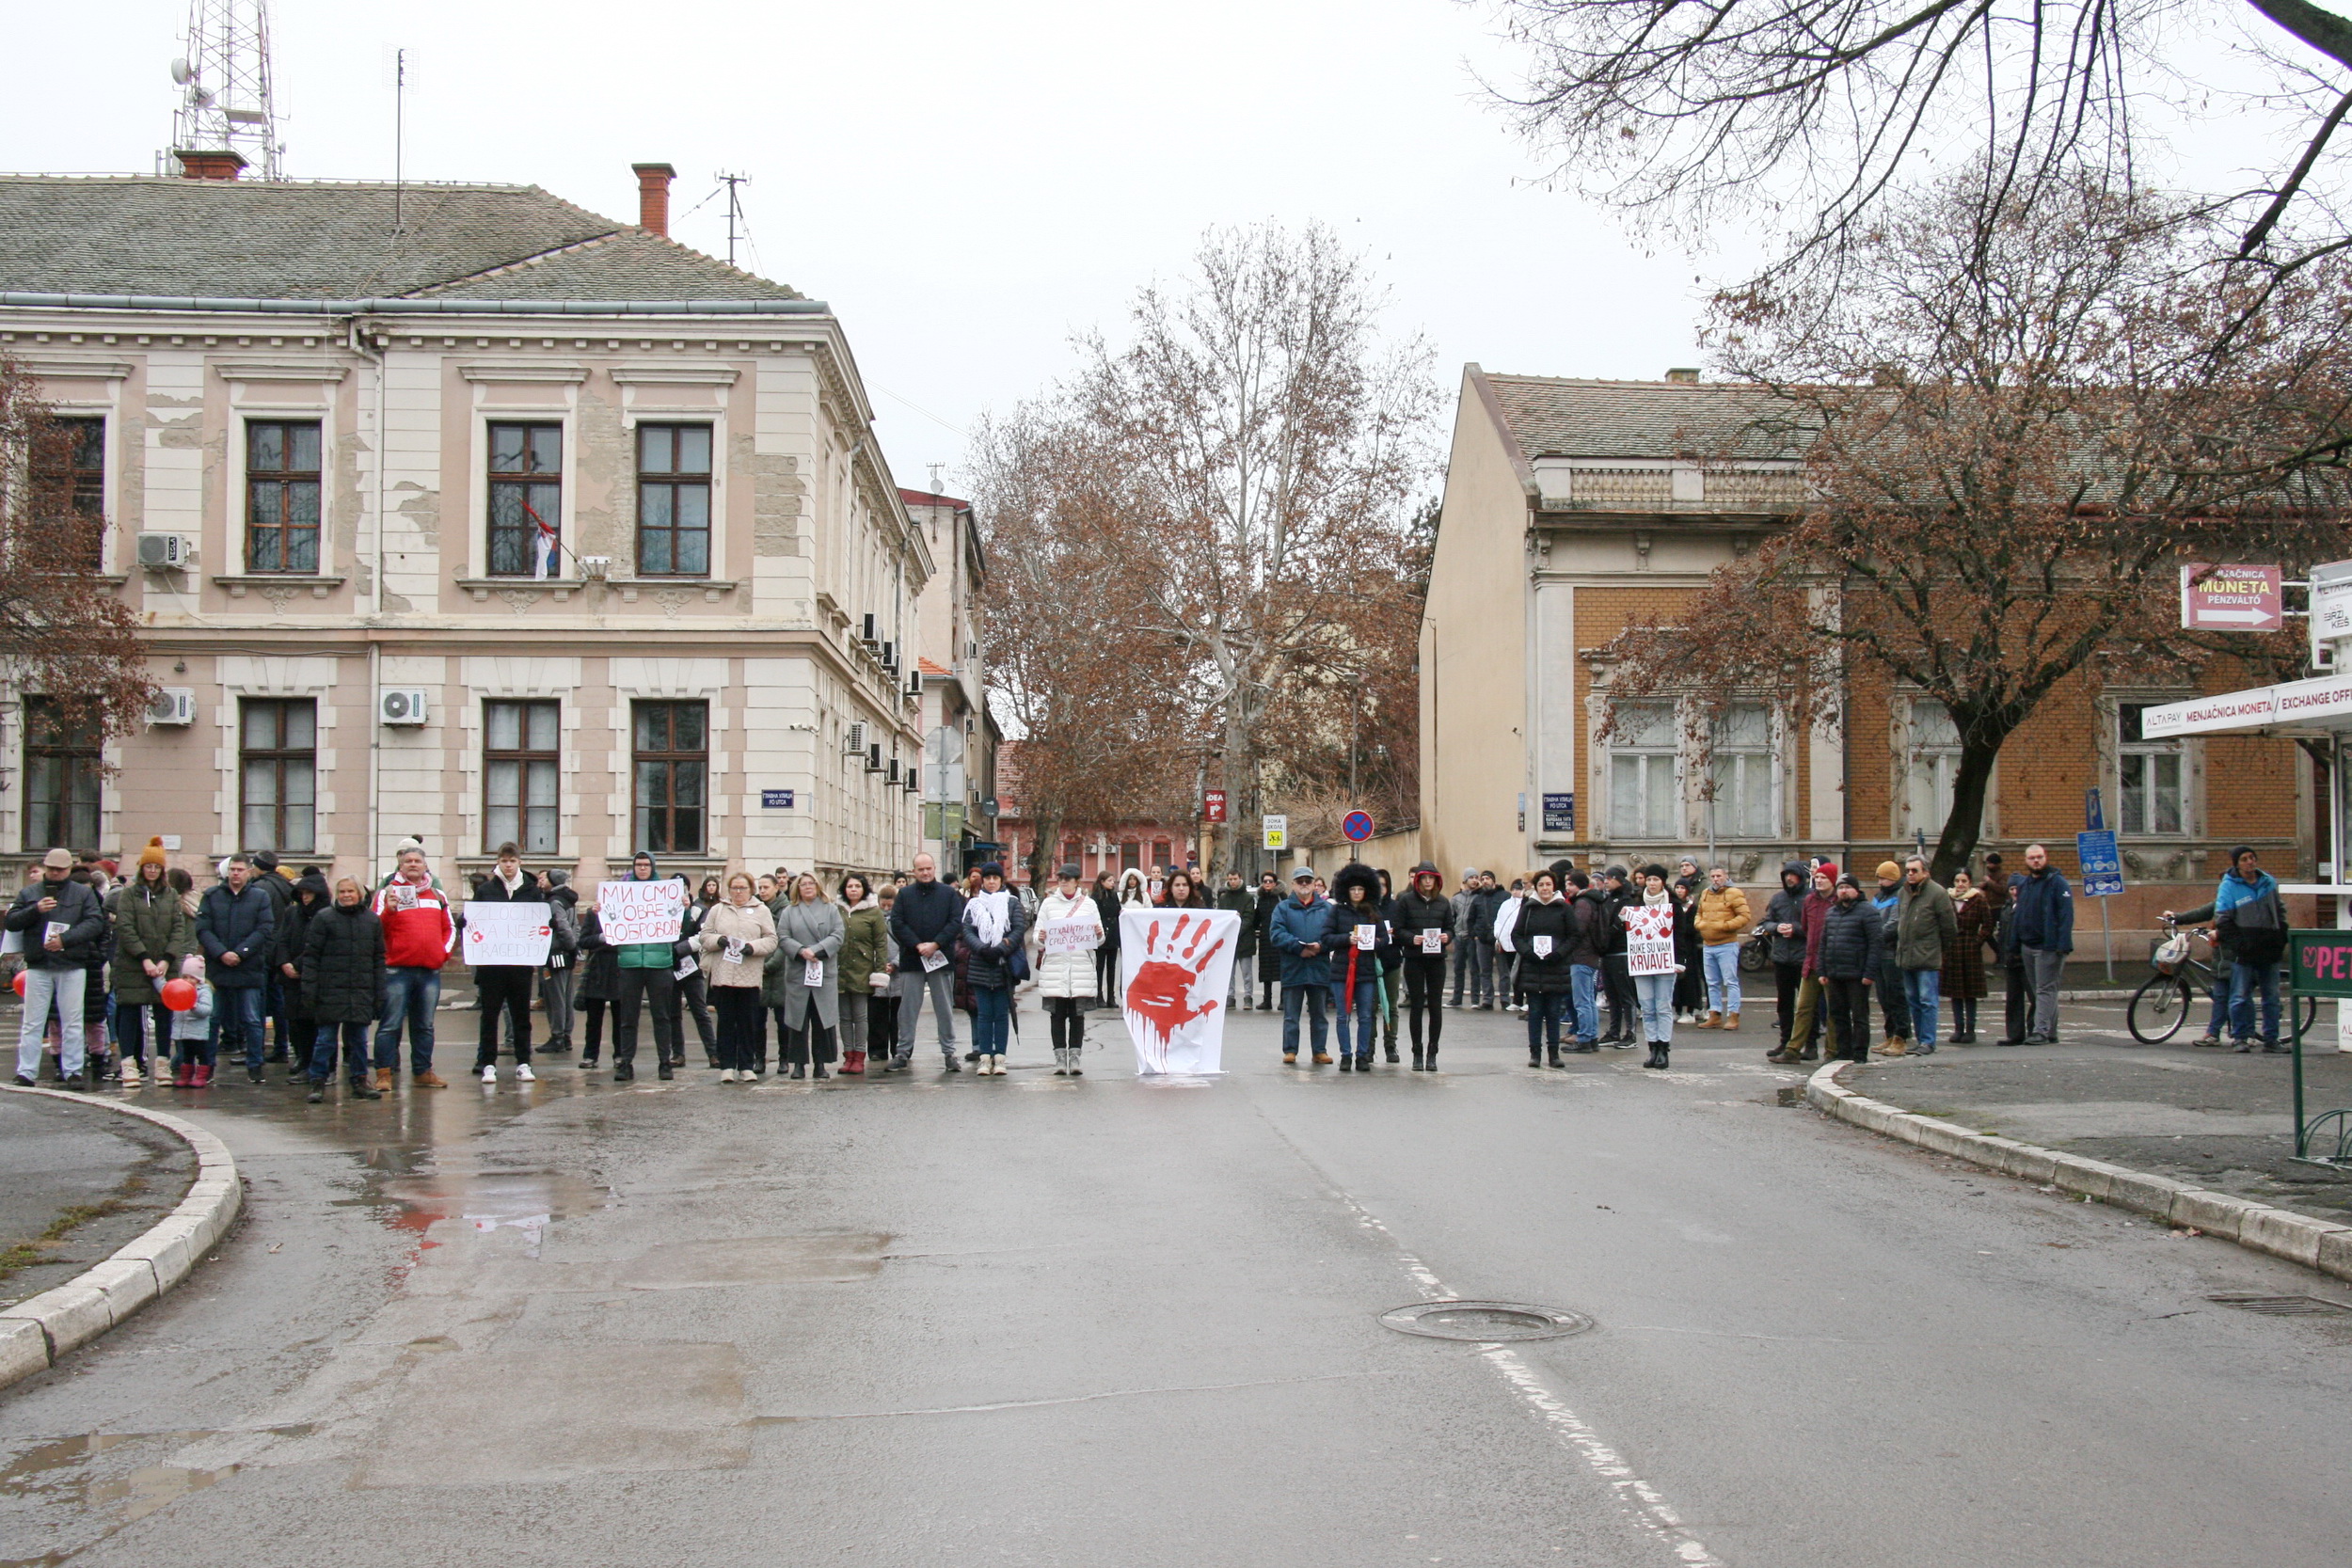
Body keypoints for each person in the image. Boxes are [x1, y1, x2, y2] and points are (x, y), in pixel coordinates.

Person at [2167, 847, 2289, 1053]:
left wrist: (2281, 935)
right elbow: (2221, 917)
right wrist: (2239, 943)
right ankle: (2240, 1037)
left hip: (2269, 947)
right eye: (2244, 859)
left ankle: (2271, 1040)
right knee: (2239, 996)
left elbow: (2280, 911)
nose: (2250, 862)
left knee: (2271, 997)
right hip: (2245, 950)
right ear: (2237, 864)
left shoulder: (2268, 882)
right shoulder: (2230, 887)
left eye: (2252, 858)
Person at [8, 847, 107, 1089]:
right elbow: (11, 921)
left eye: (60, 870)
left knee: (73, 1020)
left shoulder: (83, 894)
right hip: (39, 963)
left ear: (68, 870)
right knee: (33, 1020)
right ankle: (26, 1072)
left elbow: (95, 923)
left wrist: (67, 940)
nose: (54, 873)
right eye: (51, 869)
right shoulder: (30, 892)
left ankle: (73, 1071)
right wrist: (35, 909)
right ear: (46, 868)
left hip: (72, 963)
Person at [107, 838, 192, 1090]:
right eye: (148, 866)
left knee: (165, 1014)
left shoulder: (171, 895)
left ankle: (163, 1062)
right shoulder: (128, 895)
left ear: (162, 870)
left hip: (164, 964)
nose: (152, 870)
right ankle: (129, 1064)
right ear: (141, 868)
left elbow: (179, 929)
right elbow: (125, 928)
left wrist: (167, 959)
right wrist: (143, 957)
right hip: (133, 965)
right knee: (130, 1012)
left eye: (157, 866)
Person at [371, 845, 455, 1089]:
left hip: (429, 971)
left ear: (425, 865)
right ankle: (384, 1073)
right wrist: (389, 911)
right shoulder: (387, 893)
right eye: (408, 861)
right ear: (400, 865)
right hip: (397, 971)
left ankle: (423, 1071)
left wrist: (442, 954)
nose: (413, 864)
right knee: (390, 1024)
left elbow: (449, 929)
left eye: (417, 861)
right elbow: (374, 930)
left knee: (424, 1025)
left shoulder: (438, 895)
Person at [299, 877, 386, 1102]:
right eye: (342, 891)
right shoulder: (324, 918)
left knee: (358, 1040)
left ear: (359, 893)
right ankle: (317, 1081)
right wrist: (309, 989)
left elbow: (378, 959)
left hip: (360, 990)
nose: (346, 895)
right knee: (326, 1040)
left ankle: (359, 1081)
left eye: (350, 891)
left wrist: (379, 993)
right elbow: (311, 957)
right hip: (329, 990)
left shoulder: (372, 921)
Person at [193, 853, 275, 1085]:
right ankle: (207, 1066)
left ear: (249, 872)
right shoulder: (211, 896)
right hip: (218, 968)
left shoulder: (260, 897)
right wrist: (221, 953)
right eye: (233, 869)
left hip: (248, 967)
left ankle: (255, 1065)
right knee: (212, 1019)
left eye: (240, 869)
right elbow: (203, 929)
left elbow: (265, 928)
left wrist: (241, 953)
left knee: (251, 1019)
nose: (236, 874)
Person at [608, 851, 685, 1083]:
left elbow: (681, 924)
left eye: (646, 865)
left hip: (659, 963)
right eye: (638, 865)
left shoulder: (664, 892)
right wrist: (602, 911)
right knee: (628, 1018)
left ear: (652, 867)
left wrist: (685, 908)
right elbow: (611, 921)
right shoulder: (622, 893)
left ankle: (664, 1062)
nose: (642, 868)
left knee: (662, 1016)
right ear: (633, 867)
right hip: (630, 963)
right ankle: (626, 1062)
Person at [466, 844, 539, 1082]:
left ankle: (524, 1062)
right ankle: (488, 1062)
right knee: (490, 1014)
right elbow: (473, 918)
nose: (508, 865)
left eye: (512, 861)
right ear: (498, 862)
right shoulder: (487, 890)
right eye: (504, 861)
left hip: (520, 963)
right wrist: (464, 922)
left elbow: (541, 920)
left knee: (521, 1015)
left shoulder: (531, 890)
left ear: (520, 862)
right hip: (492, 963)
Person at [695, 873, 778, 1081]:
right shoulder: (718, 909)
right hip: (724, 974)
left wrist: (752, 947)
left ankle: (746, 1065)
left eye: (742, 888)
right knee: (725, 1021)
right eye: (734, 888)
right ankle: (727, 1065)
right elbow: (704, 936)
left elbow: (771, 939)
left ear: (751, 889)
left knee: (748, 1022)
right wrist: (719, 940)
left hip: (749, 975)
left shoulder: (761, 911)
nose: (738, 892)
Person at [891, 852, 967, 1071]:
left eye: (928, 868)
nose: (925, 873)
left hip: (940, 958)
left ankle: (949, 1053)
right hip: (912, 959)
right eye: (920, 869)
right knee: (907, 1009)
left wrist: (935, 944)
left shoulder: (948, 894)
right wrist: (917, 945)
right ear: (914, 871)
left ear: (935, 869)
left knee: (944, 1008)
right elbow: (898, 923)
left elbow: (956, 922)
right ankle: (903, 1052)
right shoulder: (904, 895)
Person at [1032, 864, 1104, 1076]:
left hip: (1080, 966)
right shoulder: (1048, 904)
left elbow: (1098, 940)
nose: (1063, 882)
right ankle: (1059, 1058)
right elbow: (1036, 936)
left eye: (1068, 878)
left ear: (1076, 881)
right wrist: (1041, 938)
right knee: (1057, 1014)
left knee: (1077, 1015)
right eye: (1060, 878)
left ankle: (1075, 1057)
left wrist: (1098, 934)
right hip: (1056, 966)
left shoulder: (1089, 905)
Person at [1884, 855, 1958, 1054]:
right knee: (1913, 1001)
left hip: (1927, 957)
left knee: (1928, 1001)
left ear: (1925, 872)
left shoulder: (1937, 893)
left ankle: (1928, 1041)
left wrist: (1938, 949)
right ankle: (1919, 1040)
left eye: (1914, 870)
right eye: (1907, 870)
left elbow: (1949, 928)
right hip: (1906, 956)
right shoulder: (1903, 892)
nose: (1910, 874)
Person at [775, 872, 845, 1078]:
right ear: (797, 888)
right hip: (799, 970)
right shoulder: (790, 911)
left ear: (818, 886)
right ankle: (798, 1064)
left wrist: (817, 950)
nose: (807, 887)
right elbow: (783, 936)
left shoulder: (831, 910)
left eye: (811, 884)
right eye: (803, 884)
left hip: (822, 968)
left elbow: (838, 935)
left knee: (822, 1018)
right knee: (798, 1020)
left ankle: (820, 1064)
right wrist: (801, 951)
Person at [1771, 863, 1841, 1065]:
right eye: (1817, 877)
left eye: (1823, 878)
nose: (1818, 880)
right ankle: (1792, 1050)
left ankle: (1831, 1052)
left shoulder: (1838, 902)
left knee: (1832, 1011)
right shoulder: (1810, 901)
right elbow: (1808, 930)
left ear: (1833, 881)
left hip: (1830, 962)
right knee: (1803, 1008)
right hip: (1809, 961)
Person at [2007, 843, 2074, 1045]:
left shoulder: (2058, 883)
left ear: (2046, 858)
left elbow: (2065, 915)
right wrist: (2014, 944)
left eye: (2039, 857)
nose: (2036, 861)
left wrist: (2062, 944)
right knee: (2039, 990)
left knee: (2045, 989)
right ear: (2026, 861)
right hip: (2028, 945)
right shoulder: (2026, 885)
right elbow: (2019, 915)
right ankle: (2050, 1031)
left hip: (2049, 946)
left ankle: (2041, 1032)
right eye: (2031, 858)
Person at [961, 863, 1024, 1074]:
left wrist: (1002, 947)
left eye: (995, 878)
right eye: (988, 878)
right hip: (980, 964)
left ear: (1001, 880)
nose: (991, 882)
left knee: (1001, 1014)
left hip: (1003, 967)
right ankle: (985, 1057)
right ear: (983, 881)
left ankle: (1000, 1057)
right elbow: (967, 930)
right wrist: (982, 948)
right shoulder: (974, 904)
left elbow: (1018, 928)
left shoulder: (1012, 903)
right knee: (984, 1014)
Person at [1324, 864, 1389, 1071]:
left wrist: (1373, 943)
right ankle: (1345, 1054)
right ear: (1346, 890)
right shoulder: (1337, 911)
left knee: (1366, 1015)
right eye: (1353, 889)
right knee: (1343, 1016)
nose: (1357, 893)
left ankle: (1362, 1055)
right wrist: (1347, 939)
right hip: (1342, 970)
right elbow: (1325, 938)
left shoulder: (1373, 911)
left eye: (1360, 889)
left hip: (1366, 970)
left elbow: (1384, 940)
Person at [1623, 865, 1687, 1069]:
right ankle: (1652, 1048)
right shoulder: (1638, 904)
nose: (1651, 884)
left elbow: (1680, 935)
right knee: (1647, 1008)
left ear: (1663, 882)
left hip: (1666, 962)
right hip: (1643, 963)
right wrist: (1623, 918)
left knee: (1663, 1006)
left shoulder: (1673, 905)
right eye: (1649, 880)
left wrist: (1680, 960)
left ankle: (1663, 1049)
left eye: (1656, 880)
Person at [1391, 862, 1454, 1069]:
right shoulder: (1406, 901)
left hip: (1436, 959)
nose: (1428, 882)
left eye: (1431, 878)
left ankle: (1432, 1052)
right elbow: (1398, 930)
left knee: (1435, 1005)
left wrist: (1447, 937)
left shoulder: (1444, 902)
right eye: (1424, 878)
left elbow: (1450, 927)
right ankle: (1417, 1052)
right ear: (1417, 880)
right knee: (1417, 1005)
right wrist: (1412, 938)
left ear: (1436, 880)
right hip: (1415, 959)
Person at [1268, 867, 1332, 1064]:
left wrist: (1321, 946)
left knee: (1319, 1014)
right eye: (1300, 881)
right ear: (1294, 884)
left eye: (1307, 881)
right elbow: (1276, 934)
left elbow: (1335, 934)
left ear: (1314, 884)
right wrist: (1298, 947)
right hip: (1293, 967)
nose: (1304, 884)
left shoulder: (1327, 909)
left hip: (1319, 967)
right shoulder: (1283, 908)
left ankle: (1319, 1051)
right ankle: (1290, 1050)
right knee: (1291, 1015)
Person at [1513, 869, 1576, 1067]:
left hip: (1555, 967)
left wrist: (1559, 953)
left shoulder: (1564, 908)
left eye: (1548, 884)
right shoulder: (1529, 908)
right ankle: (1535, 1053)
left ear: (1554, 886)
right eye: (1541, 885)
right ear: (1536, 887)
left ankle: (1554, 1054)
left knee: (1554, 1013)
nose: (1545, 888)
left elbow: (1574, 936)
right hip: (1533, 967)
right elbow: (1516, 935)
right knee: (1535, 1013)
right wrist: (1528, 952)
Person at [1818, 873, 1883, 1061]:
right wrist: (1822, 970)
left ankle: (1860, 1054)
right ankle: (1843, 1052)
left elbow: (1876, 943)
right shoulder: (1831, 913)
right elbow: (1824, 943)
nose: (1843, 891)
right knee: (1839, 1015)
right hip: (1835, 973)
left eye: (1847, 887)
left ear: (1856, 890)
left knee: (1860, 1016)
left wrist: (1869, 973)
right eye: (1840, 887)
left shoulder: (1868, 911)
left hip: (1857, 974)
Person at [248, 849, 297, 1064]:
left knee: (258, 1001)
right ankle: (281, 1046)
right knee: (279, 1002)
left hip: (263, 950)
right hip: (280, 951)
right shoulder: (285, 885)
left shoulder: (259, 888)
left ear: (258, 867)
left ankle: (256, 1050)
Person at [837, 874, 888, 1076]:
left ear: (864, 889)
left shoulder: (873, 912)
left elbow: (881, 944)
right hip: (841, 969)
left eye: (857, 886)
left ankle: (859, 1055)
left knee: (859, 1016)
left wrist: (880, 970)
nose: (853, 890)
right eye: (850, 886)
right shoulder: (837, 910)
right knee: (843, 1017)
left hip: (862, 969)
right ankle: (847, 1055)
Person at [1692, 865, 1752, 1030]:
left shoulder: (1734, 893)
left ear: (1726, 876)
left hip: (1727, 944)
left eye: (1719, 876)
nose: (1716, 879)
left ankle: (1733, 1015)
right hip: (1708, 944)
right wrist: (1699, 924)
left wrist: (1725, 926)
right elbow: (1699, 913)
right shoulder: (1706, 893)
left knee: (1730, 981)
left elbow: (1745, 916)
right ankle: (1715, 1013)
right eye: (1713, 876)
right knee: (1712, 982)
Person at [1762, 863, 1808, 1053]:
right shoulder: (1778, 898)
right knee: (1784, 1002)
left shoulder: (1810, 898)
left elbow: (1815, 926)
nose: (1789, 878)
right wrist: (1776, 928)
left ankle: (1810, 1043)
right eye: (1786, 875)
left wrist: (1795, 929)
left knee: (1806, 1005)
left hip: (1803, 956)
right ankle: (1785, 1040)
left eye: (1793, 875)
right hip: (1782, 957)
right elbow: (1766, 922)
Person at [1944, 869, 1992, 1043]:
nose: (1960, 884)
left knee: (1970, 992)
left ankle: (1970, 1030)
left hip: (1971, 951)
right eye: (1957, 881)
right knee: (1955, 992)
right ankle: (1958, 1028)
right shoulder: (1947, 899)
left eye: (1964, 881)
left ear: (1970, 882)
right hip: (1953, 950)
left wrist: (1977, 941)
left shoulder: (1978, 899)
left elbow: (1988, 925)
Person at [537, 870, 581, 1054]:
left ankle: (558, 1037)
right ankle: (566, 1036)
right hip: (566, 954)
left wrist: (570, 945)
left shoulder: (554, 901)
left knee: (555, 997)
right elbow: (576, 926)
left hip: (555, 953)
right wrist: (574, 948)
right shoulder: (567, 899)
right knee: (566, 995)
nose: (540, 881)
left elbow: (562, 926)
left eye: (544, 878)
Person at [1869, 863, 1911, 1048]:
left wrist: (1875, 937)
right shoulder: (1879, 896)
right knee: (1884, 996)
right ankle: (1889, 1034)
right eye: (1879, 878)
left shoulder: (1899, 895)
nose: (1880, 881)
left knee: (1896, 996)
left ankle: (1900, 1036)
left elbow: (1894, 923)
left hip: (1891, 951)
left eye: (1883, 878)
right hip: (1879, 951)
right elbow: (1871, 918)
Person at [574, 899, 619, 1069]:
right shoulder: (592, 914)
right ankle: (590, 1055)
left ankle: (620, 1055)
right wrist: (600, 938)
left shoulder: (627, 914)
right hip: (597, 967)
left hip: (619, 966)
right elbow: (583, 940)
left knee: (620, 1015)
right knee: (593, 1017)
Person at [168, 954, 215, 1086]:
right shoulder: (181, 990)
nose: (188, 980)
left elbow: (207, 1010)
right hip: (185, 1031)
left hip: (199, 1032)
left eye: (192, 977)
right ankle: (186, 1077)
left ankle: (201, 1077)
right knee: (187, 1054)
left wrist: (194, 1006)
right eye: (185, 977)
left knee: (202, 1054)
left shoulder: (203, 991)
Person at [1670, 858, 1707, 1023]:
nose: (1679, 891)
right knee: (1676, 979)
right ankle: (1677, 1008)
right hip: (1677, 945)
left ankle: (1691, 1010)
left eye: (1682, 888)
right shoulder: (1674, 906)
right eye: (1677, 887)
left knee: (1691, 978)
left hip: (1690, 945)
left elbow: (1693, 926)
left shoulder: (1692, 906)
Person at [870, 883, 903, 1061]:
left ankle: (899, 1048)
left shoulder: (902, 919)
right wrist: (880, 964)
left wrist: (896, 963)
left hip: (898, 973)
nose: (886, 908)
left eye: (889, 905)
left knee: (899, 1015)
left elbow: (906, 942)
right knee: (877, 1014)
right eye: (883, 905)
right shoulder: (874, 919)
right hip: (879, 972)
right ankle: (877, 1049)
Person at [1216, 871, 1258, 1010]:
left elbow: (1248, 918)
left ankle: (1248, 997)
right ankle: (1230, 996)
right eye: (1230, 879)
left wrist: (1236, 930)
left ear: (1240, 879)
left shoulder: (1247, 897)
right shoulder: (1223, 898)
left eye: (1235, 879)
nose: (1233, 882)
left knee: (1246, 972)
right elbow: (1221, 917)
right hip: (1229, 940)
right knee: (1229, 972)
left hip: (1244, 939)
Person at [1251, 870, 1284, 1013]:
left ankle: (1284, 1001)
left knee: (1282, 970)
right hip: (1265, 938)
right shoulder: (1261, 899)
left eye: (1270, 881)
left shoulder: (1282, 897)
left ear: (1275, 883)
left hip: (1279, 937)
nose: (1268, 884)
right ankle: (1267, 1000)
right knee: (1266, 971)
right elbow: (1256, 918)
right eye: (1265, 881)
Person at [1448, 868, 1481, 1006]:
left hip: (1472, 938)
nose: (1474, 880)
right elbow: (1451, 917)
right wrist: (1454, 933)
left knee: (1474, 969)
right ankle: (1457, 999)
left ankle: (1475, 1000)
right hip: (1459, 937)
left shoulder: (1479, 897)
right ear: (1465, 880)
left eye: (1476, 877)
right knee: (1458, 969)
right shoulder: (1456, 898)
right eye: (1471, 877)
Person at [1091, 871, 1123, 1008]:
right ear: (1102, 881)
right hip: (1101, 932)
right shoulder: (1096, 897)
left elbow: (1118, 911)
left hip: (1113, 933)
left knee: (1112, 967)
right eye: (1109, 880)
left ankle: (1111, 996)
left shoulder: (1114, 895)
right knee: (1099, 966)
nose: (1112, 883)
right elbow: (1094, 915)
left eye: (1113, 881)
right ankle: (1098, 996)